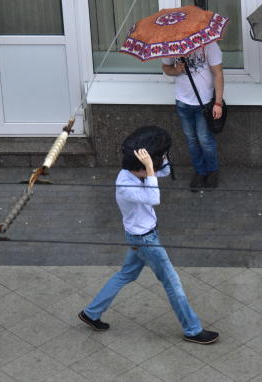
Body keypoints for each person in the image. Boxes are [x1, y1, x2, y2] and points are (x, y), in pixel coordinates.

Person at [78, 147, 219, 345]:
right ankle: (193, 330)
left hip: (139, 238)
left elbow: (165, 171)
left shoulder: (131, 171)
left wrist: (162, 152)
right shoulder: (126, 186)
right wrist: (151, 168)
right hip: (146, 241)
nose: (151, 171)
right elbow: (154, 199)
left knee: (125, 274)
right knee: (172, 283)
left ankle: (91, 313)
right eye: (147, 168)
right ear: (140, 168)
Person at [161, 43, 224, 191]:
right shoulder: (171, 45)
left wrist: (218, 102)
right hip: (183, 101)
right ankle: (200, 172)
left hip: (204, 102)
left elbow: (218, 73)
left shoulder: (210, 45)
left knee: (205, 140)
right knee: (191, 140)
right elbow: (166, 67)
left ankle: (212, 171)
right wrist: (175, 70)